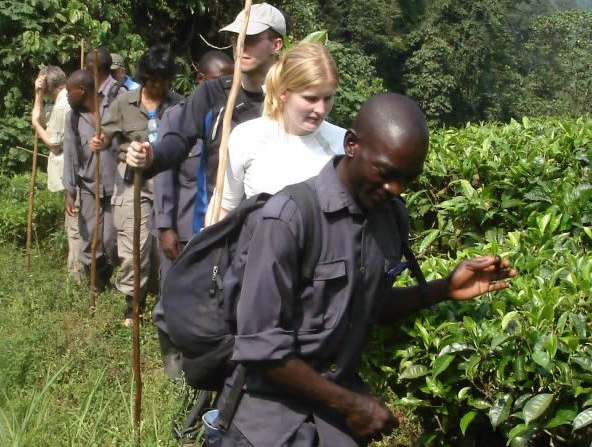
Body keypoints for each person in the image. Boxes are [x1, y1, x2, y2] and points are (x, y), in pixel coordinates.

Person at [216, 94, 517, 446]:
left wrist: (444, 288)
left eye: (408, 178)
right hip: (268, 424)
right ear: (352, 144)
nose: (396, 189)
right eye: (387, 173)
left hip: (335, 426)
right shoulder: (289, 217)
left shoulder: (391, 218)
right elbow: (260, 347)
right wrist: (351, 405)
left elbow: (365, 305)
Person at [124, 3, 287, 212]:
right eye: (237, 38)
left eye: (252, 39)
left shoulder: (291, 97)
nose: (241, 46)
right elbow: (178, 140)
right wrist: (151, 157)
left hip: (275, 222)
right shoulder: (213, 93)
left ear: (276, 45)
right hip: (220, 221)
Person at [151, 50, 234, 378]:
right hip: (183, 227)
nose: (227, 88)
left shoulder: (240, 119)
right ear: (200, 82)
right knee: (171, 297)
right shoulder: (177, 118)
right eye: (219, 81)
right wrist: (165, 227)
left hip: (218, 230)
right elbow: (164, 178)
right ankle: (172, 361)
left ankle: (201, 364)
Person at [93, 45, 184, 327]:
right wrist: (100, 142)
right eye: (152, 80)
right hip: (135, 184)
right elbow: (106, 135)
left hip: (170, 184)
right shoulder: (124, 103)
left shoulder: (179, 105)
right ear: (144, 78)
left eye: (163, 80)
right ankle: (132, 305)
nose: (157, 85)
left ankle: (166, 300)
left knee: (166, 246)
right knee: (135, 246)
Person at [217, 43, 344, 220]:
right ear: (284, 92)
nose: (321, 109)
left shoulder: (343, 145)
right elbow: (223, 208)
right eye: (310, 98)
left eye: (328, 98)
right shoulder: (246, 138)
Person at [61, 69, 117, 289]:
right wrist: (69, 189)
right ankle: (97, 286)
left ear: (82, 90)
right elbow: (71, 153)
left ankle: (111, 278)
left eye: (69, 91)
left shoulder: (113, 109)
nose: (67, 95)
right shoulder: (72, 118)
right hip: (88, 188)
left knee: (112, 242)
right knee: (91, 242)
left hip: (115, 188)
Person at [30, 65, 83, 281]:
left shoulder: (63, 106)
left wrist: (35, 125)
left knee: (74, 226)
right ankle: (76, 273)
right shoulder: (60, 102)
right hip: (70, 173)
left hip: (71, 173)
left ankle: (77, 277)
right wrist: (37, 95)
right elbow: (44, 121)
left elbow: (53, 143)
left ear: (49, 85)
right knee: (73, 224)